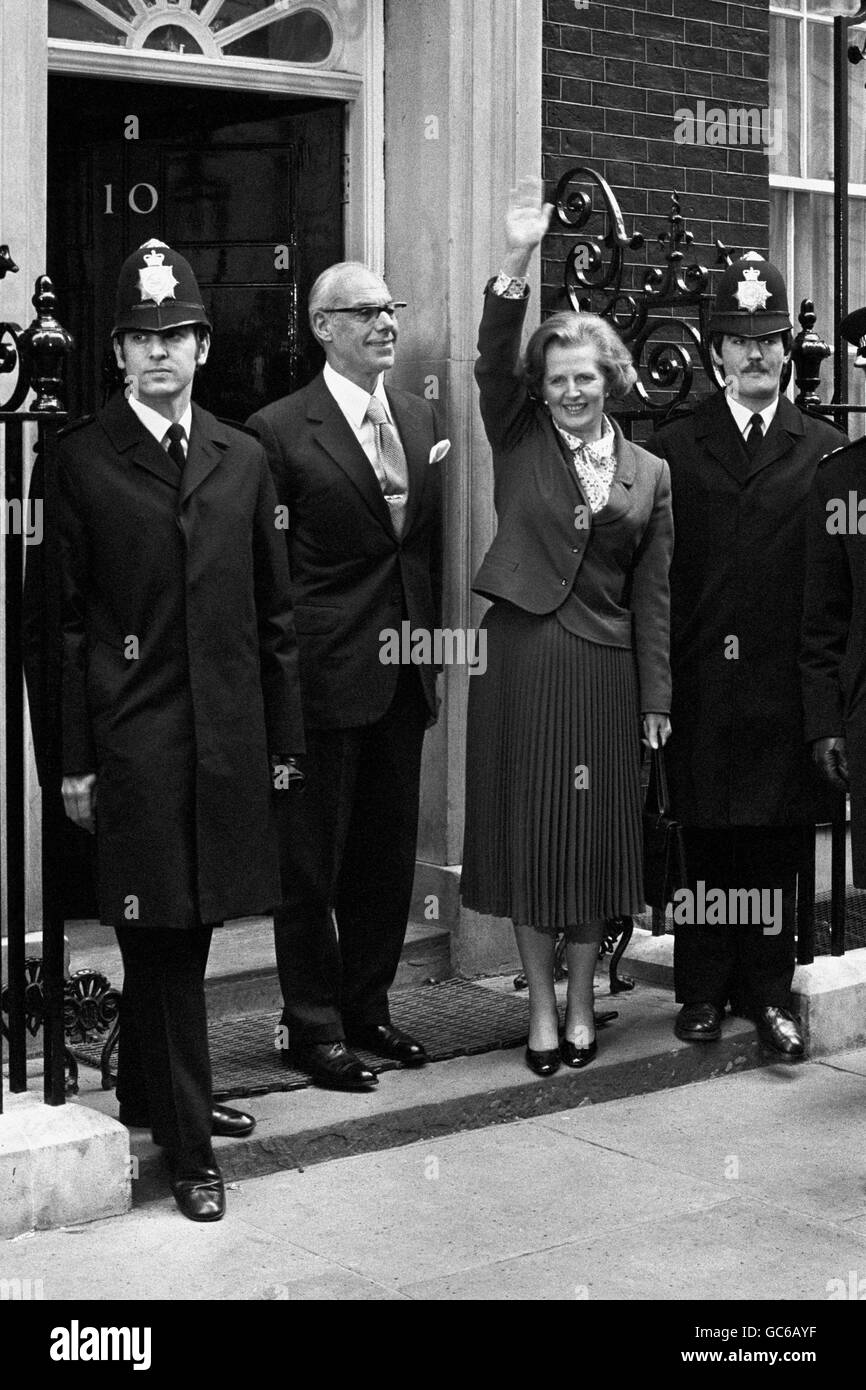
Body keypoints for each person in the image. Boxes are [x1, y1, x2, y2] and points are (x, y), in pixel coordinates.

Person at [58, 239, 305, 1221]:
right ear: (118, 352)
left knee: (188, 930)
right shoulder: (79, 459)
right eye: (142, 337)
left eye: (177, 335)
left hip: (227, 743)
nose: (160, 352)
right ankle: (193, 1153)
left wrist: (281, 742)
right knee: (157, 935)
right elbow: (60, 627)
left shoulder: (241, 458)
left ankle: (149, 1092)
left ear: (202, 346)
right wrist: (71, 758)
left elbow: (274, 617)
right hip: (135, 745)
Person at [461, 178, 673, 1077]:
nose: (573, 390)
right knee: (530, 834)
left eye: (586, 377)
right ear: (540, 391)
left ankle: (587, 1002)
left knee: (590, 845)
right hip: (523, 659)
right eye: (559, 380)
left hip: (605, 670)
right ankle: (540, 1009)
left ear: (610, 380)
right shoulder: (515, 434)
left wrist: (657, 698)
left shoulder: (652, 471)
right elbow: (487, 358)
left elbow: (656, 593)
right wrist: (519, 257)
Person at [247, 261, 445, 1092]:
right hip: (323, 682)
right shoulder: (277, 430)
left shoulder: (419, 413)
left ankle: (369, 1008)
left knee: (385, 857)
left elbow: (421, 550)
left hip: (403, 677)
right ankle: (313, 1026)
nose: (385, 324)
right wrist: (279, 696)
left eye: (390, 309)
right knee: (310, 866)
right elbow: (270, 576)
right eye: (364, 312)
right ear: (323, 327)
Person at [649, 252, 842, 1059]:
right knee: (706, 842)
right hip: (701, 686)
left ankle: (768, 995)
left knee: (772, 846)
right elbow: (655, 583)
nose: (757, 354)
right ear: (715, 351)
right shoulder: (674, 449)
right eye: (740, 340)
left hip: (783, 690)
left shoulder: (824, 449)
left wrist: (826, 715)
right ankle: (700, 990)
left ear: (785, 350)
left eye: (769, 340)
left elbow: (838, 598)